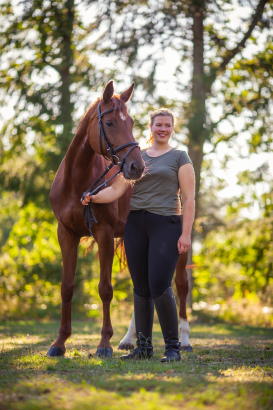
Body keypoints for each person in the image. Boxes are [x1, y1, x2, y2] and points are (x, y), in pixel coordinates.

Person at [82, 108, 195, 362]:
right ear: (150, 128)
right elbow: (116, 190)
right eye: (158, 125)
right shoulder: (138, 157)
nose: (162, 129)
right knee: (141, 287)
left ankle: (173, 348)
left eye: (167, 125)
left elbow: (189, 200)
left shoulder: (180, 157)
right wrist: (94, 197)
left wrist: (185, 233)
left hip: (166, 223)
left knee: (159, 284)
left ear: (172, 128)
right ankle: (143, 348)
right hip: (136, 224)